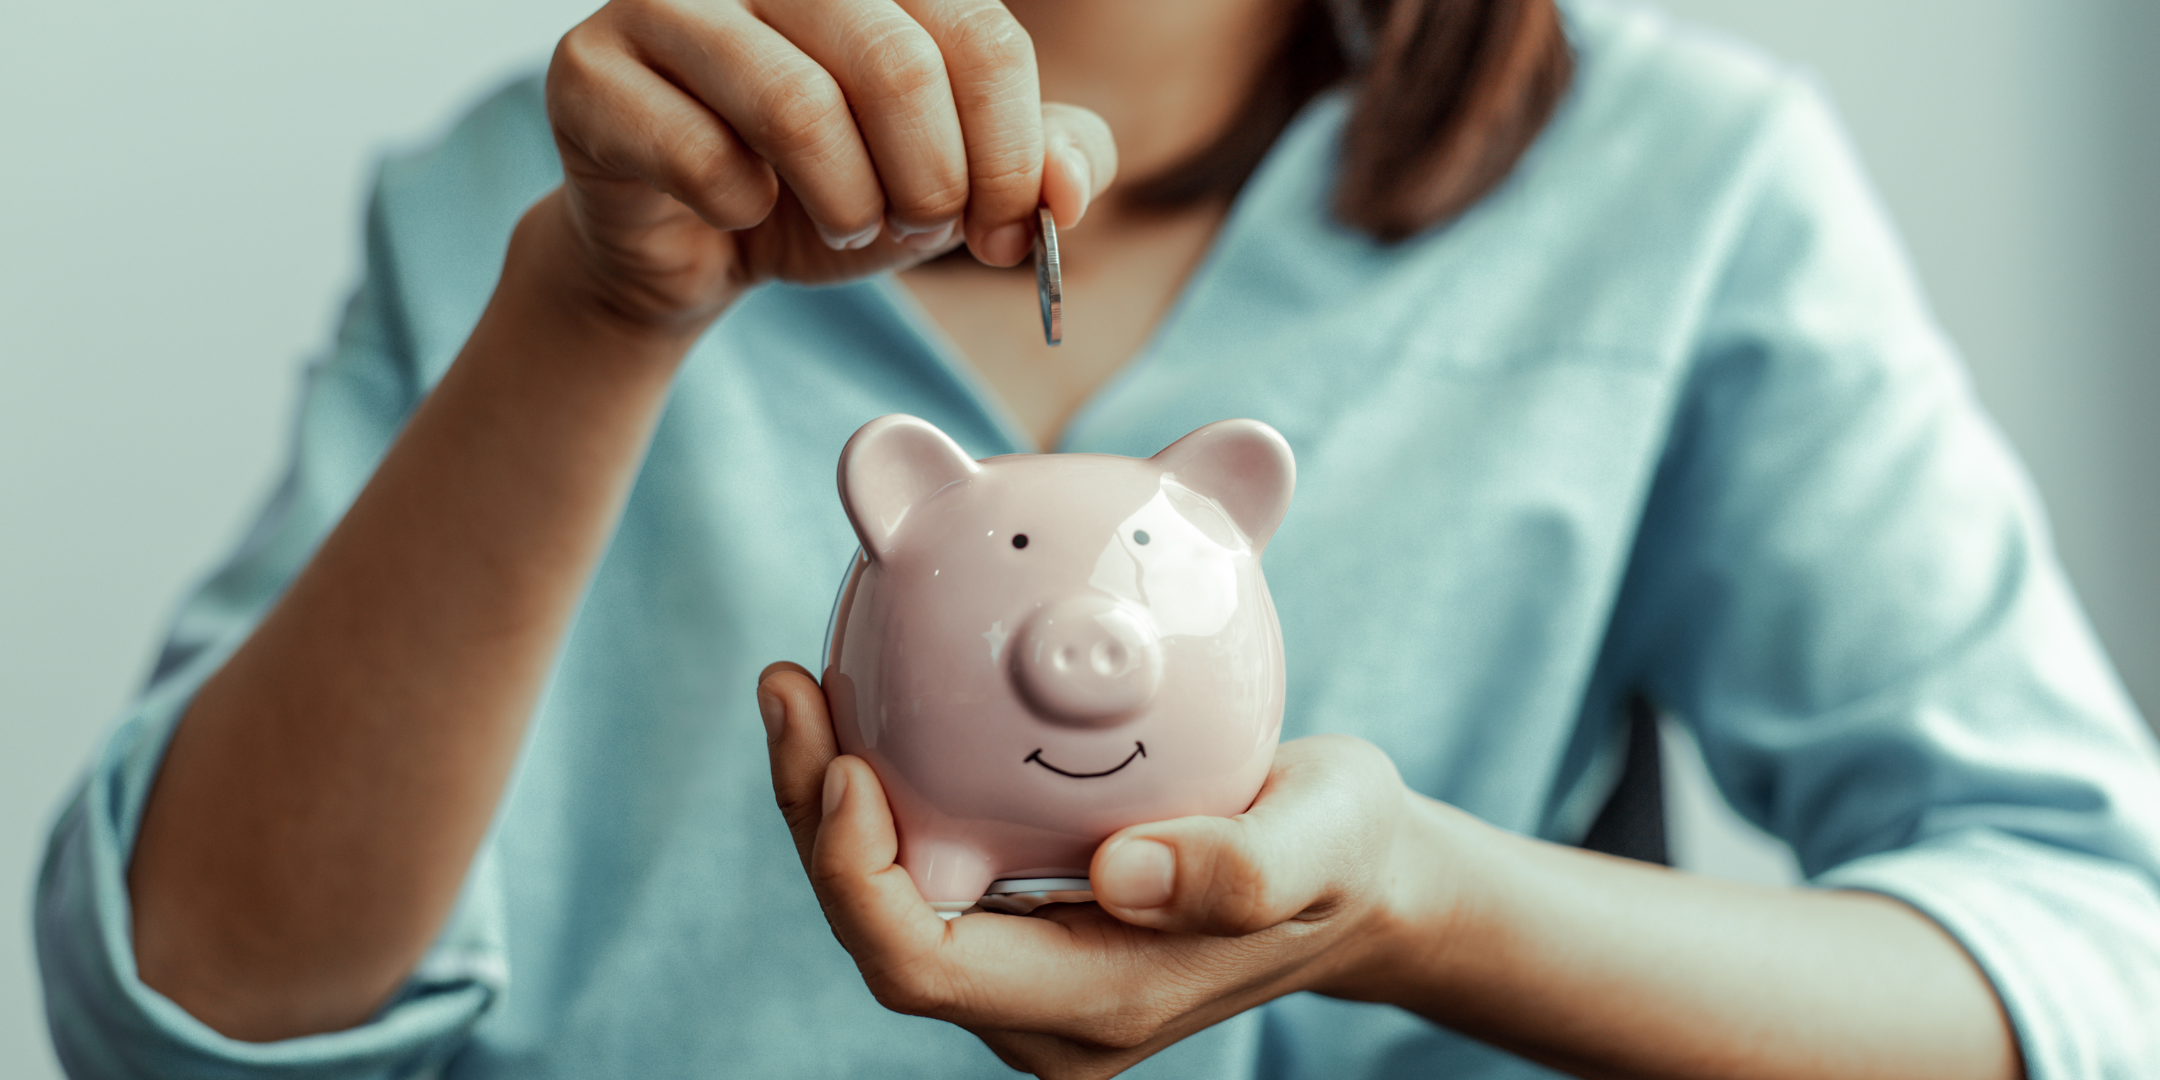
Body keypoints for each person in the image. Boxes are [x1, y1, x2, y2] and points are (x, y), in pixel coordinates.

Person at [34, 0, 2160, 1075]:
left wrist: (1428, 903)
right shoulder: (529, 208)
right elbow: (183, 1012)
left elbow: (2097, 960)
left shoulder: (1682, 193)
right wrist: (592, 318)